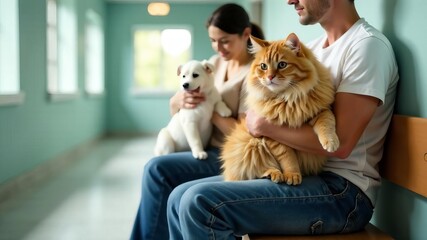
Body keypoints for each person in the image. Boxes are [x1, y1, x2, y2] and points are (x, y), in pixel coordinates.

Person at [166, 0, 399, 239]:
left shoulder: (366, 46)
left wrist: (264, 126)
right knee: (178, 197)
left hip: (343, 193)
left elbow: (343, 143)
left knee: (199, 203)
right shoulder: (313, 48)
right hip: (308, 174)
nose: (290, 0)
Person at [130, 3, 264, 240]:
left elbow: (246, 133)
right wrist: (178, 100)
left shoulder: (254, 72)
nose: (218, 47)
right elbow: (176, 109)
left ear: (245, 34)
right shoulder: (216, 62)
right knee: (156, 168)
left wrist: (208, 109)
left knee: (157, 169)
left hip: (227, 155)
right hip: (206, 144)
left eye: (224, 40)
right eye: (213, 40)